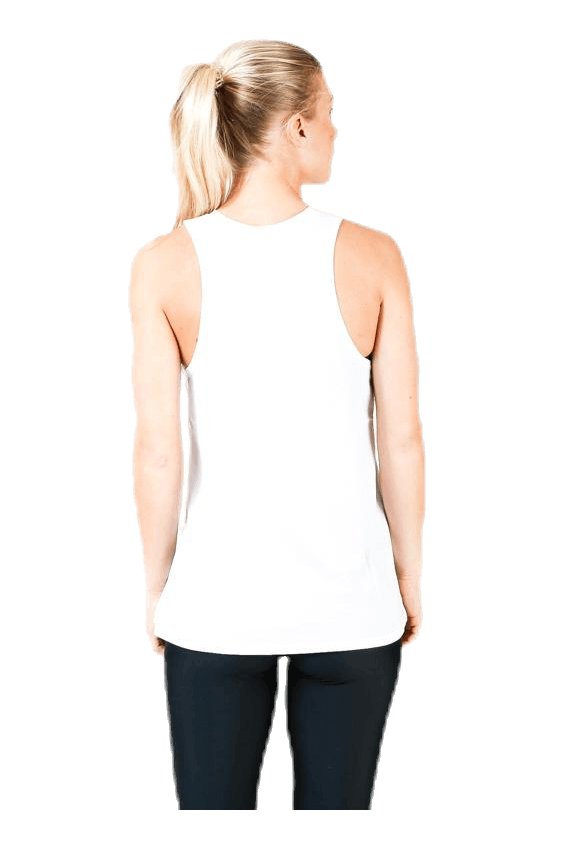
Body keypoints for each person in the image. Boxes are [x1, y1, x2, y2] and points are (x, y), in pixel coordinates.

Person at [130, 39, 424, 810]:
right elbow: (400, 438)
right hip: (351, 607)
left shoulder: (163, 261)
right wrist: (408, 574)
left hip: (215, 608)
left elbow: (158, 451)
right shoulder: (374, 254)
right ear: (295, 126)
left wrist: (159, 586)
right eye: (328, 115)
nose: (334, 131)